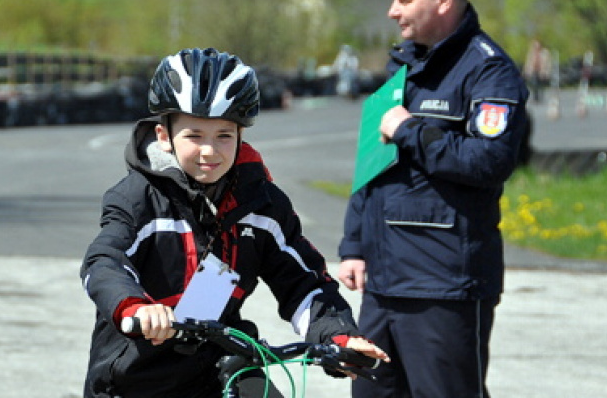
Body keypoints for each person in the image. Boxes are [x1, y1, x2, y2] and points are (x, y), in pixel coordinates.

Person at [80, 48, 388, 398]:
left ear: (241, 136)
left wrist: (338, 335)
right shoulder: (138, 198)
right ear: (164, 136)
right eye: (194, 136)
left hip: (219, 368)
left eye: (224, 135)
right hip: (135, 377)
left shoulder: (263, 205)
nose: (210, 151)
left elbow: (304, 284)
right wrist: (133, 306)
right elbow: (103, 261)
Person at [337, 0, 529, 398]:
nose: (392, 10)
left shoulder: (488, 70)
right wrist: (354, 244)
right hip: (382, 284)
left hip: (444, 285)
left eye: (404, 0)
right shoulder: (402, 68)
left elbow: (489, 161)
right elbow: (372, 164)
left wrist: (411, 131)